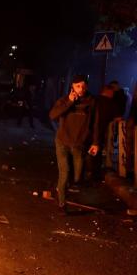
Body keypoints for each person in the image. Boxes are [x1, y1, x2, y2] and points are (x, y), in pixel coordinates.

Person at [48, 75, 100, 211]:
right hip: (62, 141)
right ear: (72, 86)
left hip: (79, 144)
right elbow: (53, 115)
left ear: (87, 86)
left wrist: (95, 142)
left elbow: (96, 123)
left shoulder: (92, 102)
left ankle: (61, 188)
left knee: (77, 177)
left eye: (83, 86)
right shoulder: (64, 100)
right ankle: (61, 203)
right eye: (78, 86)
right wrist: (70, 102)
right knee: (65, 172)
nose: (81, 89)